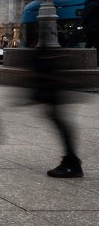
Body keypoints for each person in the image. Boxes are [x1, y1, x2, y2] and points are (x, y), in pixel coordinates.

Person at [32, 44, 84, 178]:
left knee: (60, 122)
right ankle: (71, 160)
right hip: (52, 87)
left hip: (52, 88)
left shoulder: (46, 52)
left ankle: (72, 163)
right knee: (59, 121)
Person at [83, 0, 99, 64]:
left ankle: (84, 59)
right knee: (96, 44)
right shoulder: (95, 4)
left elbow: (85, 16)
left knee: (89, 43)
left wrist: (84, 24)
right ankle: (95, 61)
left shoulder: (88, 4)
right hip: (95, 28)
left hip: (89, 28)